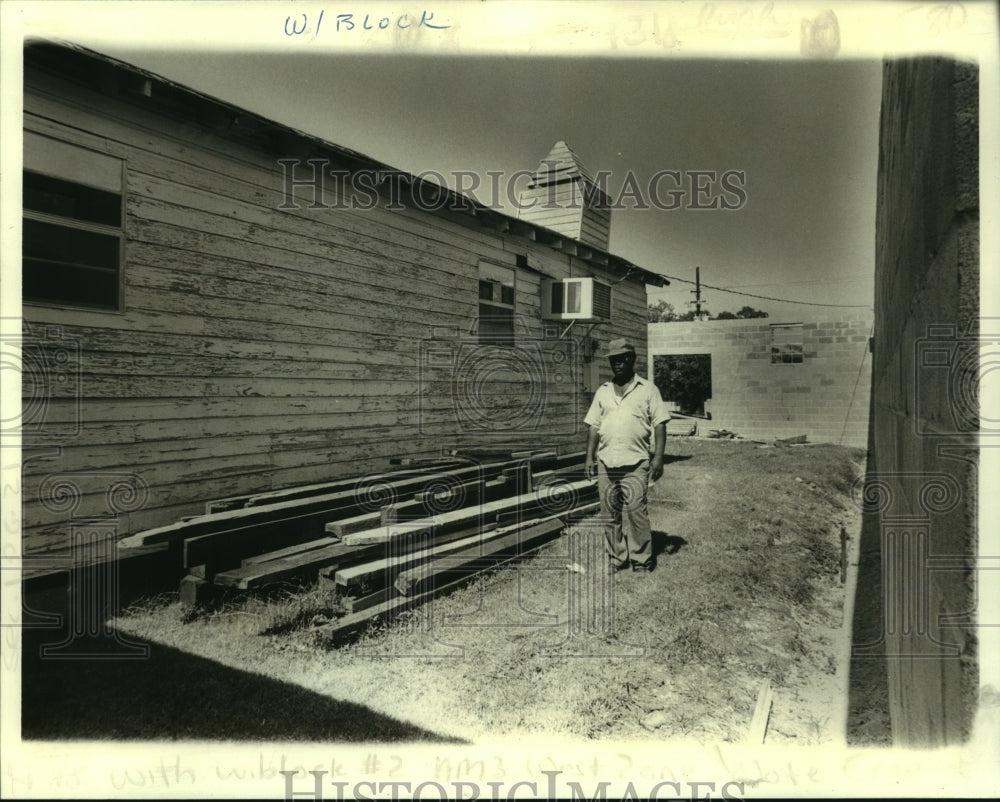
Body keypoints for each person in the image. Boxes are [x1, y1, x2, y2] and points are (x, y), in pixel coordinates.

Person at [584, 338, 669, 573]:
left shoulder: (648, 390)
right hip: (606, 460)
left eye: (622, 359)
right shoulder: (602, 391)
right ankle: (617, 558)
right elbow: (593, 426)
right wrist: (589, 457)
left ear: (632, 359)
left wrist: (659, 457)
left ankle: (642, 560)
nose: (617, 364)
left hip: (636, 461)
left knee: (636, 512)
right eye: (613, 360)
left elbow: (660, 424)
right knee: (609, 512)